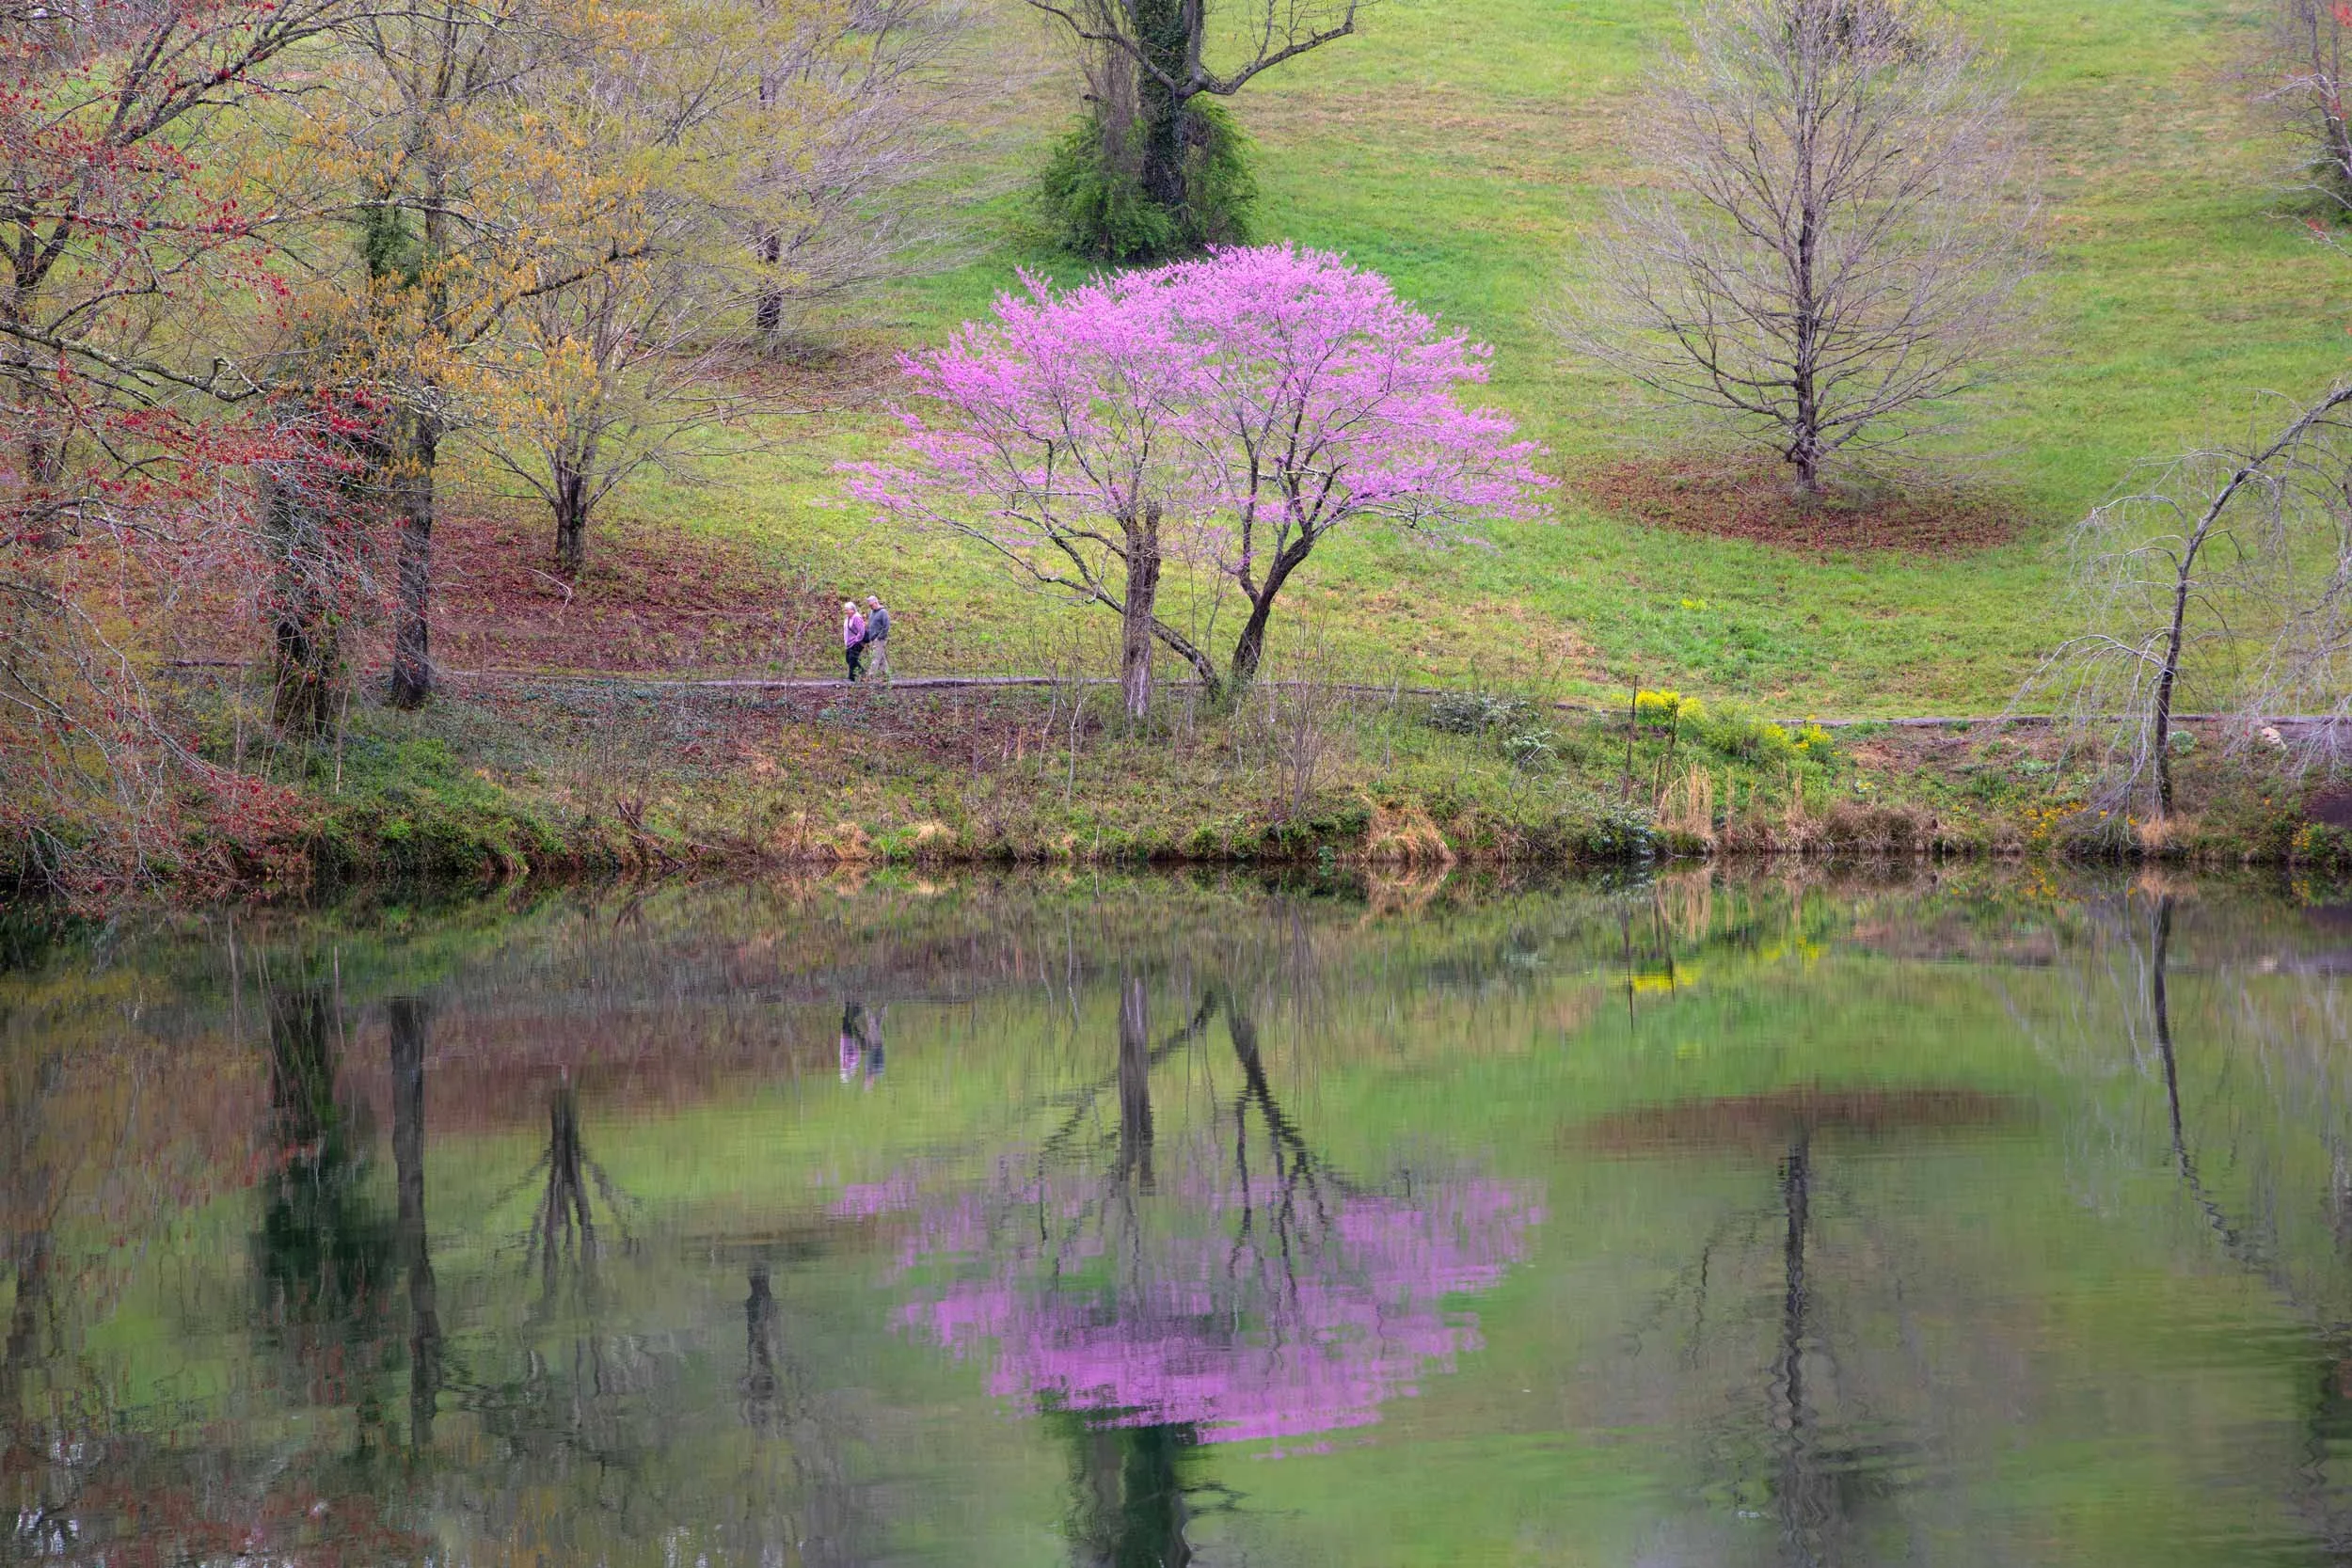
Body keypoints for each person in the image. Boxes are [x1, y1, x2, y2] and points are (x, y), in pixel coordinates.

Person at [862, 595, 893, 682]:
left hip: (879, 639)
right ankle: (887, 676)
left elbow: (886, 626)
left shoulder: (883, 612)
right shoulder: (872, 612)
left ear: (876, 602)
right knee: (881, 658)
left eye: (871, 605)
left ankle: (870, 676)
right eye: (869, 606)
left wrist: (880, 637)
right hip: (873, 639)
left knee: (875, 657)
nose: (871, 607)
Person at [841, 600, 866, 682]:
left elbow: (861, 631)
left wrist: (856, 640)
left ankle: (852, 679)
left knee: (852, 659)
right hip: (849, 643)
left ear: (852, 610)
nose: (845, 611)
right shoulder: (848, 617)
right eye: (845, 610)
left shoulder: (856, 617)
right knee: (849, 659)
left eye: (847, 610)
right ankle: (862, 673)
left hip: (856, 643)